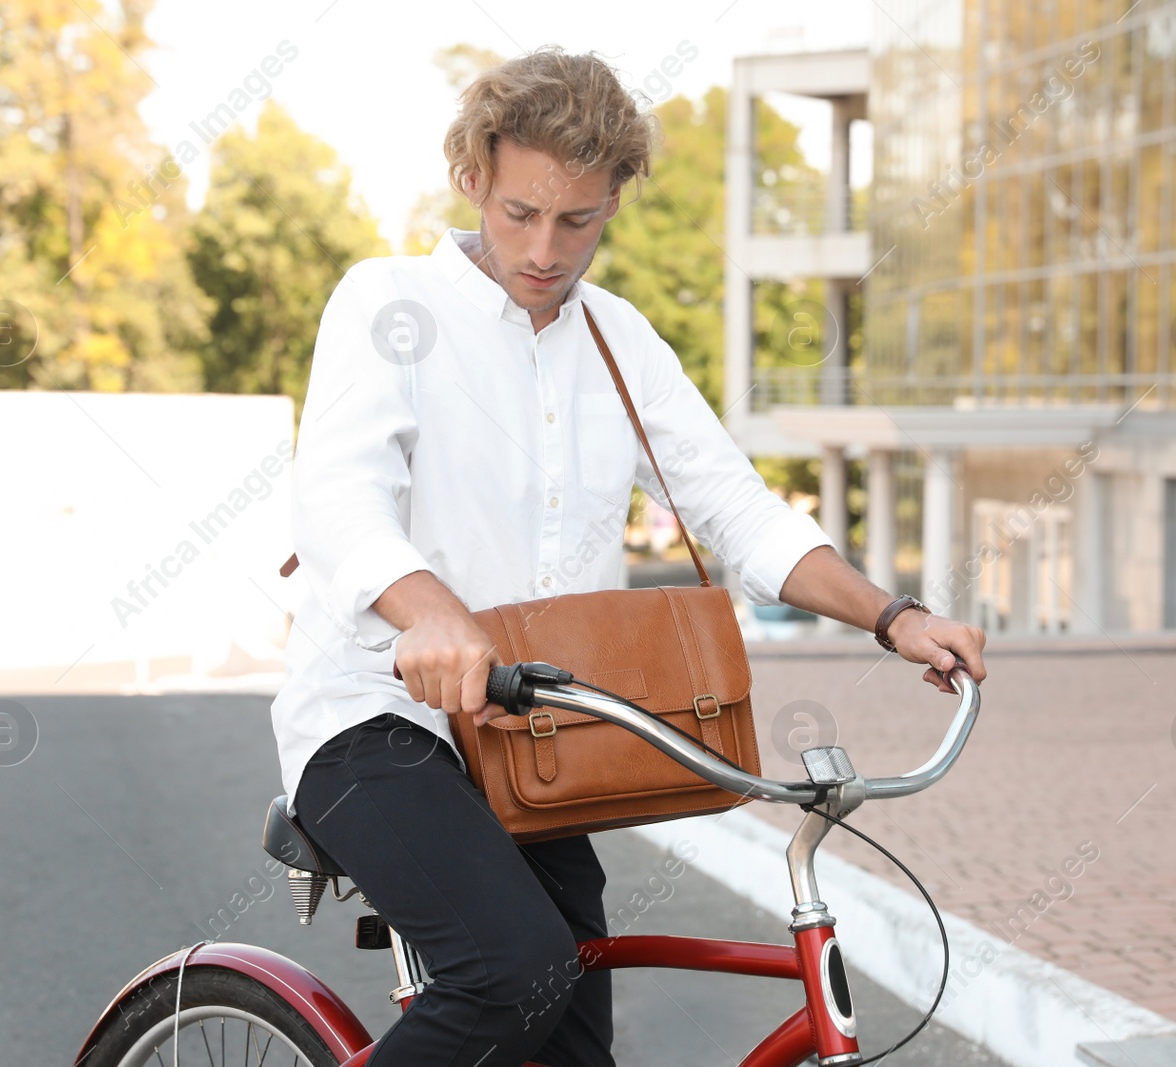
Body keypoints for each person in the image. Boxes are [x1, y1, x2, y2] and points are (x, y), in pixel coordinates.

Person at [270, 47, 987, 1067]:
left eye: (579, 219)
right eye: (521, 212)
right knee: (513, 969)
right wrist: (434, 615)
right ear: (473, 175)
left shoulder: (621, 339)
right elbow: (338, 499)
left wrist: (894, 617)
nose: (546, 247)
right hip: (376, 727)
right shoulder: (389, 305)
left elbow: (736, 508)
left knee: (572, 1042)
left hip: (538, 742)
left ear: (614, 201)